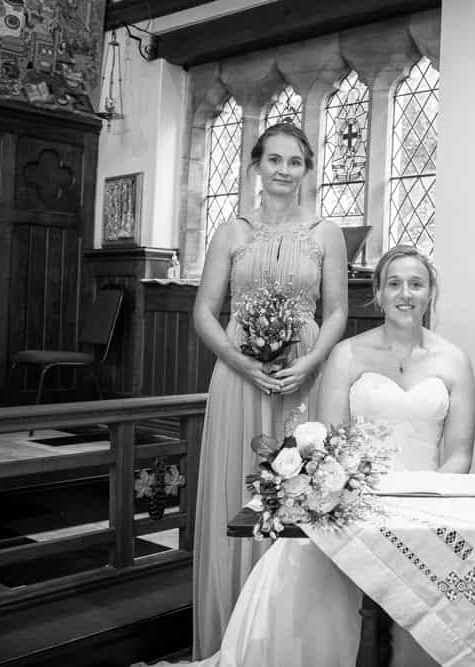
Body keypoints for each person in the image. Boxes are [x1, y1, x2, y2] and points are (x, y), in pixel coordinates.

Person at [153, 245, 475, 667]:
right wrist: (356, 502)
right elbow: (330, 444)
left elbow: (458, 455)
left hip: (425, 507)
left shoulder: (455, 360)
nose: (405, 294)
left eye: (417, 284)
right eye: (394, 283)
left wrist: (422, 508)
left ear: (431, 292)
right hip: (358, 505)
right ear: (377, 293)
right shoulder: (347, 355)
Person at [191, 122, 349, 658]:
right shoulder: (231, 230)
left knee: (303, 494)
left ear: (307, 169)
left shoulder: (326, 232)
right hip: (239, 378)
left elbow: (338, 312)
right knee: (242, 491)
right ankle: (236, 634)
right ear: (256, 164)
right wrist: (240, 362)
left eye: (295, 162)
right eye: (274, 160)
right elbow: (204, 313)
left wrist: (311, 361)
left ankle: (291, 636)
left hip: (302, 374)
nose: (283, 170)